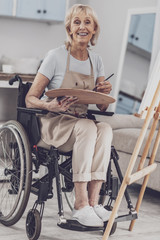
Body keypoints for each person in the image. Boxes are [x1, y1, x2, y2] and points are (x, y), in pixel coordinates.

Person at [25, 4, 113, 227]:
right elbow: (30, 98)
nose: (82, 26)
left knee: (104, 128)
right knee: (88, 127)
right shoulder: (55, 56)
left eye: (87, 22)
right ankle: (80, 203)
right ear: (69, 28)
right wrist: (50, 105)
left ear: (94, 29)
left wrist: (104, 92)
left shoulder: (97, 61)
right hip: (53, 123)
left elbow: (101, 108)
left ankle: (93, 202)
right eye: (77, 22)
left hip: (80, 123)